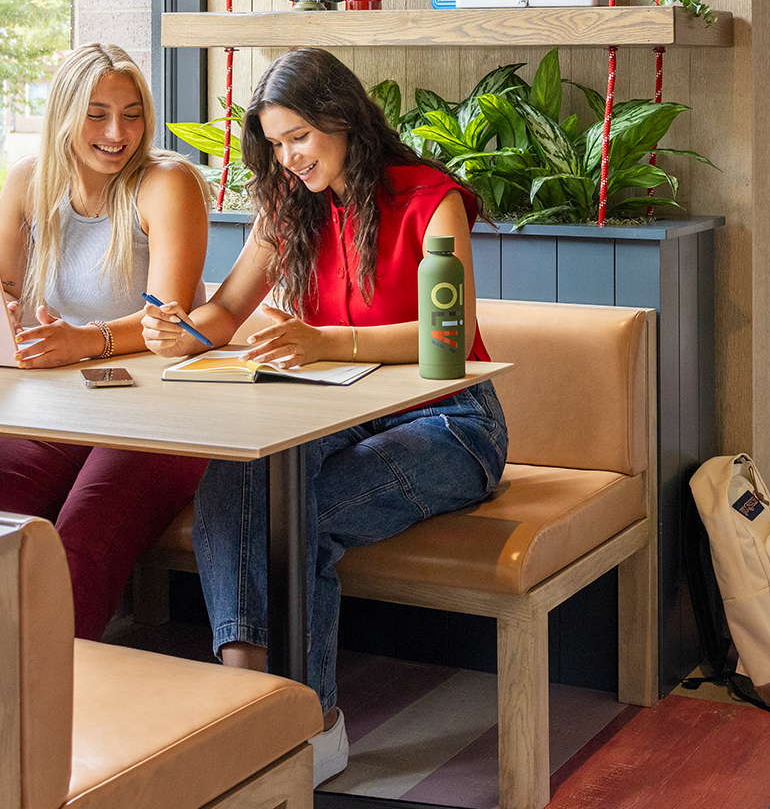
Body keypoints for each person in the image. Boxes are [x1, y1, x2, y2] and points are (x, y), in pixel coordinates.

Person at [142, 47, 507, 788]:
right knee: (235, 482)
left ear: (342, 119)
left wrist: (322, 341)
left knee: (297, 512)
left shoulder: (428, 198)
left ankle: (310, 725)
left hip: (452, 421)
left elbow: (446, 336)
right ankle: (252, 707)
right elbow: (227, 309)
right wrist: (184, 330)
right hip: (333, 410)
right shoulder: (288, 209)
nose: (288, 158)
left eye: (299, 137)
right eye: (275, 144)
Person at [0, 42, 211, 639]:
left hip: (161, 420)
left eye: (132, 112)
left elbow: (168, 322)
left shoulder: (166, 183)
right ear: (64, 115)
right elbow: (4, 290)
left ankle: (45, 711)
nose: (117, 132)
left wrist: (80, 342)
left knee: (82, 538)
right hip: (56, 412)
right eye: (96, 113)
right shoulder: (28, 182)